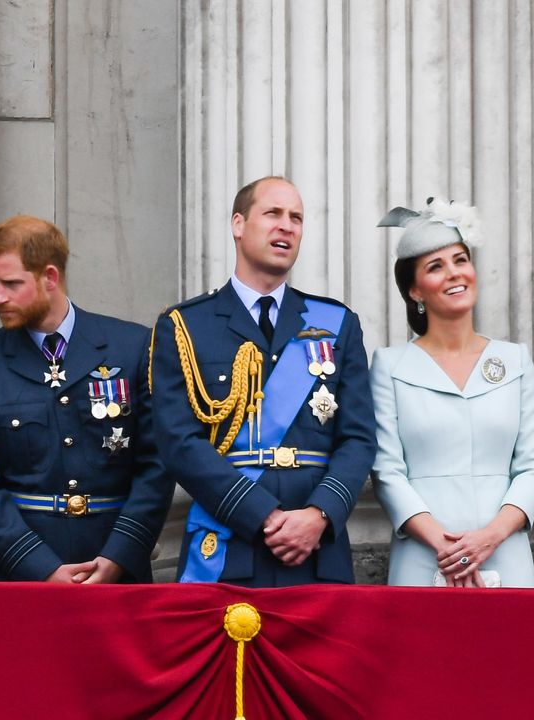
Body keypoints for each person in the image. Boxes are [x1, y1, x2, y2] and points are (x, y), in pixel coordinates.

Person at [150, 176, 376, 587]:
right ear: (238, 224)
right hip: (228, 541)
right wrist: (263, 515)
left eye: (296, 218)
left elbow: (359, 438)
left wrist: (319, 514)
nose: (286, 226)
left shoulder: (336, 324)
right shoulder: (185, 326)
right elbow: (178, 441)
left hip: (316, 550)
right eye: (273, 213)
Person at [0, 215, 170, 583]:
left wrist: (118, 557)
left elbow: (158, 463)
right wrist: (42, 569)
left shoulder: (133, 348)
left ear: (49, 277)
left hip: (118, 566)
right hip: (21, 576)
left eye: (11, 284)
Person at [372, 199, 534, 587]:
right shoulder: (389, 365)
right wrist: (448, 548)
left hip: (506, 555)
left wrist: (489, 538)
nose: (455, 273)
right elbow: (387, 472)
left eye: (460, 260)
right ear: (415, 290)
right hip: (423, 559)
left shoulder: (514, 360)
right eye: (436, 266)